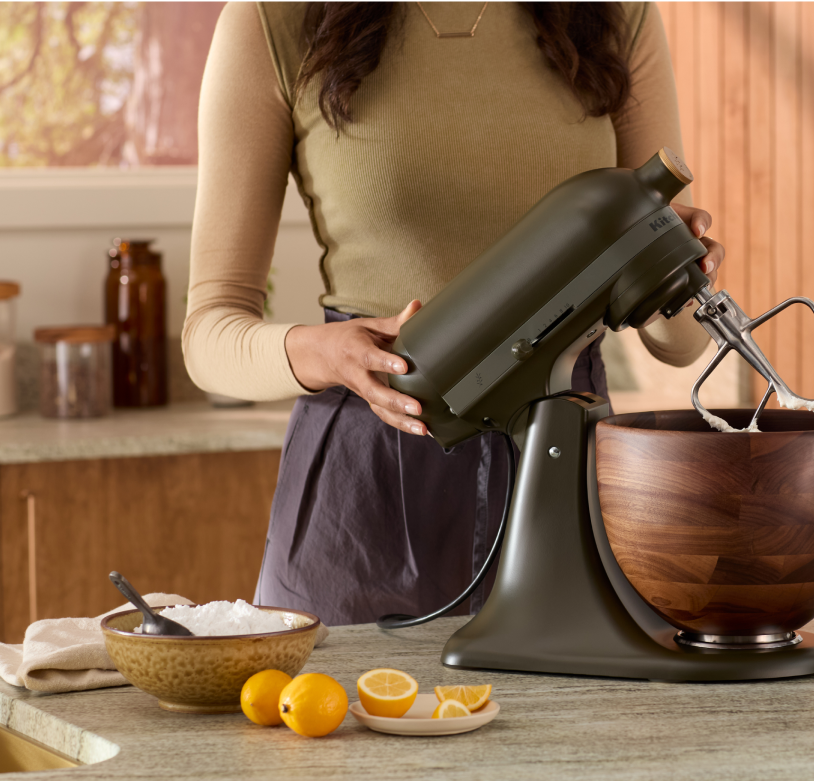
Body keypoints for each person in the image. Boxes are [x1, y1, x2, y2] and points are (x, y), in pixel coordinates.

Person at [184, 1, 725, 626]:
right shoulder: (271, 22)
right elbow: (210, 333)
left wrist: (673, 272)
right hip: (370, 475)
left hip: (566, 462)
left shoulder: (614, 14)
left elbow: (680, 344)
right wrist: (323, 354)